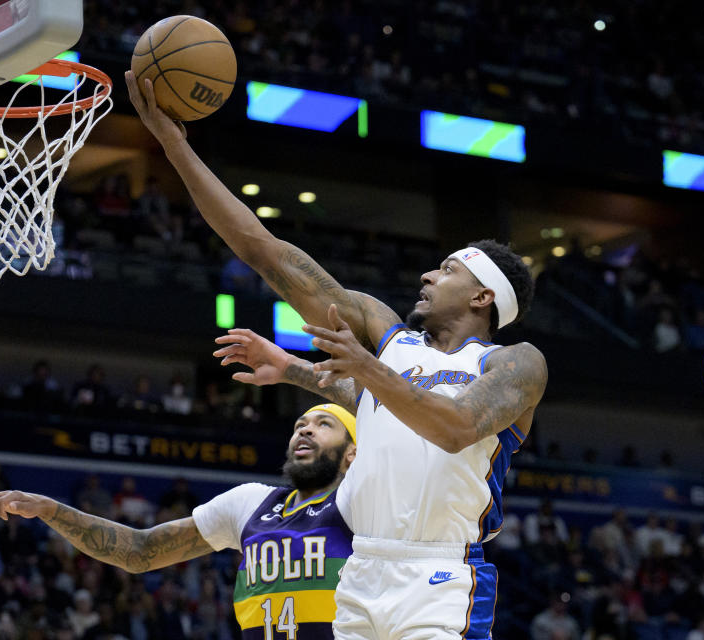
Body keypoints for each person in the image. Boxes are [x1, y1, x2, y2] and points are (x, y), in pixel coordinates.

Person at [124, 71, 545, 639]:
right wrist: (173, 144)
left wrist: (366, 366)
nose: (427, 273)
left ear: (482, 296)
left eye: (446, 269)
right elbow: (266, 253)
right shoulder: (386, 334)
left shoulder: (515, 363)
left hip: (440, 575)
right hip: (361, 570)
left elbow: (454, 426)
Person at [0, 404, 357, 639]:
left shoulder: (364, 500)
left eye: (324, 424)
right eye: (299, 424)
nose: (304, 429)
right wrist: (50, 510)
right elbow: (140, 552)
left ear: (353, 453)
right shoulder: (250, 502)